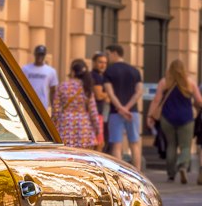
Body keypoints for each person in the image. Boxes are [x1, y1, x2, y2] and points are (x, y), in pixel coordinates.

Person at [147, 59, 202, 183]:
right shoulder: (190, 83)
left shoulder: (164, 82)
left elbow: (156, 100)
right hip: (186, 118)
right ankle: (182, 166)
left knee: (171, 145)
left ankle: (171, 173)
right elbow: (199, 100)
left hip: (167, 118)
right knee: (186, 146)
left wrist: (150, 116)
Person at [104, 42, 143, 172]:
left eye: (108, 54)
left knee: (117, 144)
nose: (107, 57)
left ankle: (118, 173)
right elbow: (139, 92)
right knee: (134, 143)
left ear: (115, 53)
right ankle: (137, 172)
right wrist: (127, 108)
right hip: (133, 113)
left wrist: (121, 108)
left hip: (116, 113)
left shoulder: (109, 71)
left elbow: (110, 93)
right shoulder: (135, 71)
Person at [51, 59, 100, 149]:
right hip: (84, 127)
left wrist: (53, 125)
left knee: (66, 155)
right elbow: (93, 111)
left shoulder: (62, 86)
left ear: (73, 72)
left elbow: (56, 110)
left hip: (65, 124)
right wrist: (97, 129)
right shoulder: (86, 87)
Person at [21, 45, 58, 111]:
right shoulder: (25, 69)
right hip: (27, 103)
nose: (40, 56)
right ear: (35, 54)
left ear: (44, 56)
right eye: (38, 54)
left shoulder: (51, 71)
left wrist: (53, 107)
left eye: (42, 55)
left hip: (43, 105)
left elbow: (53, 91)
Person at [90, 51, 110, 148]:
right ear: (94, 62)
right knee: (99, 143)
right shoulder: (96, 76)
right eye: (100, 62)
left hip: (98, 112)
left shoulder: (100, 76)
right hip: (96, 113)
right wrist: (109, 94)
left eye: (105, 62)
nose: (103, 65)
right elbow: (99, 95)